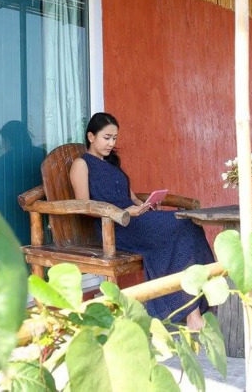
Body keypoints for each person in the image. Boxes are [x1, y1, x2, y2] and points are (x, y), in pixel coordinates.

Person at [69, 112, 215, 329]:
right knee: (182, 227)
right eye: (106, 138)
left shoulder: (112, 165)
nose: (111, 143)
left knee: (189, 222)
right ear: (91, 137)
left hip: (135, 219)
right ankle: (192, 314)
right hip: (115, 226)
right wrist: (123, 212)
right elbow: (84, 206)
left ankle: (199, 305)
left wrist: (145, 205)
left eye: (114, 138)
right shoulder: (81, 164)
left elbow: (131, 198)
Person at [0, 120, 47, 245]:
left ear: (7, 140)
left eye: (3, 141)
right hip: (43, 221)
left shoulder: (1, 164)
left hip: (11, 224)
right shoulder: (43, 156)